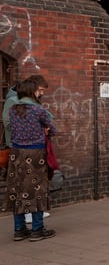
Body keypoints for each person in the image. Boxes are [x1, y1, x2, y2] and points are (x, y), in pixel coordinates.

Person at [5, 80, 59, 242]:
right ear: (31, 92)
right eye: (38, 91)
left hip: (16, 153)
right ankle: (37, 229)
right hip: (35, 154)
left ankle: (19, 229)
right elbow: (53, 129)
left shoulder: (13, 110)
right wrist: (46, 130)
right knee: (38, 191)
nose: (40, 93)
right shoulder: (38, 110)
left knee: (18, 189)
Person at [3, 74, 49, 146]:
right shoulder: (13, 100)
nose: (42, 93)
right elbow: (8, 122)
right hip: (18, 144)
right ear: (31, 87)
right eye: (40, 90)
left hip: (34, 144)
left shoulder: (33, 100)